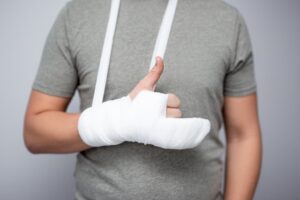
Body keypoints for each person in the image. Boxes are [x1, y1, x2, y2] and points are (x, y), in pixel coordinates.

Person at [23, 0, 262, 199]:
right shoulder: (78, 15)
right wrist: (121, 121)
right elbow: (35, 133)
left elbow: (244, 135)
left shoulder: (226, 21)